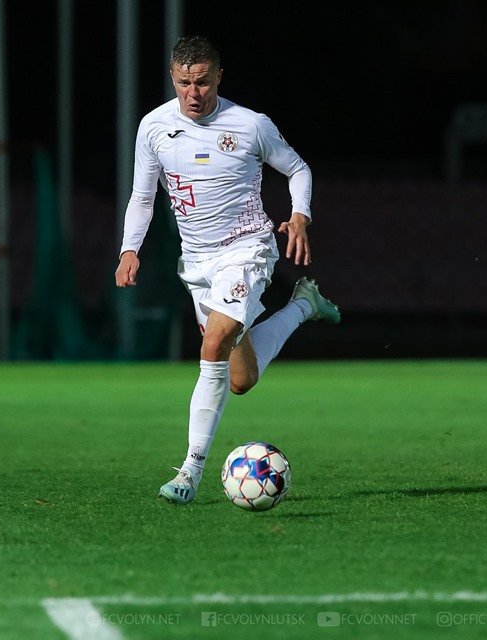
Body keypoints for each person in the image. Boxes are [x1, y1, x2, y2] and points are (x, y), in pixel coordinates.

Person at [115, 35, 340, 504]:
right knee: (240, 379)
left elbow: (298, 169)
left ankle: (189, 472)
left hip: (246, 249)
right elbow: (142, 196)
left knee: (213, 342)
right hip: (197, 263)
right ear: (172, 79)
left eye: (202, 82)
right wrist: (129, 249)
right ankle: (304, 305)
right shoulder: (154, 127)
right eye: (184, 83)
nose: (193, 93)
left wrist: (300, 216)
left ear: (219, 76)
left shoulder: (250, 125)